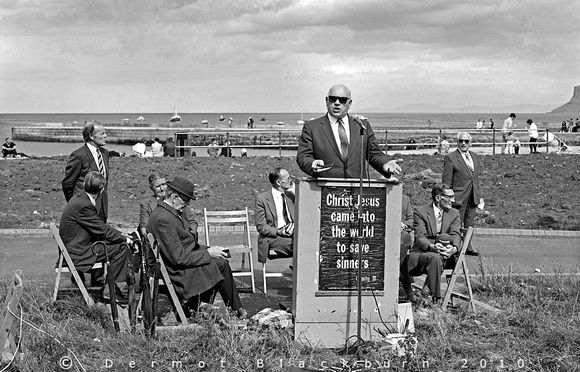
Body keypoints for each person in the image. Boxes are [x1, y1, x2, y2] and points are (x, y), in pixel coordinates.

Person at [147, 176, 245, 317]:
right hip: (176, 272)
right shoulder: (164, 219)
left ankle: (198, 307)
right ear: (174, 197)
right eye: (185, 201)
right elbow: (178, 258)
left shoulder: (167, 213)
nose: (186, 205)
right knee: (221, 265)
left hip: (177, 266)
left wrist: (210, 249)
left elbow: (186, 245)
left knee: (219, 263)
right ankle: (236, 312)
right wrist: (209, 253)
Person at [296, 84, 401, 179]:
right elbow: (303, 156)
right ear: (326, 101)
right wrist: (312, 164)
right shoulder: (312, 127)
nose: (337, 103)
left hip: (358, 191)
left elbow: (373, 153)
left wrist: (385, 163)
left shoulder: (362, 126)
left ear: (349, 103)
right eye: (333, 99)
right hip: (325, 192)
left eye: (342, 100)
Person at [59, 171, 134, 303]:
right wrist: (126, 239)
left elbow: (99, 228)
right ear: (102, 189)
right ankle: (112, 291)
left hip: (73, 247)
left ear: (84, 184)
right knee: (121, 248)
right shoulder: (85, 205)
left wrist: (120, 235)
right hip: (79, 252)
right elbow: (102, 230)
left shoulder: (78, 198)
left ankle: (111, 288)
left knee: (116, 245)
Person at [407, 184, 461, 305]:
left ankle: (429, 296)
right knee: (436, 257)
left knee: (438, 256)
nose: (453, 200)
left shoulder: (454, 213)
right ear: (438, 198)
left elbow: (455, 234)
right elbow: (420, 236)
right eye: (450, 197)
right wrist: (432, 246)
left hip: (445, 254)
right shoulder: (420, 212)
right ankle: (435, 298)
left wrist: (453, 249)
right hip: (423, 252)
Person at [442, 132, 482, 256]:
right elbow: (446, 181)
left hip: (472, 195)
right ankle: (456, 247)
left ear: (470, 143)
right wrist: (447, 197)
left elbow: (475, 178)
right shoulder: (451, 157)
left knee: (469, 223)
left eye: (466, 141)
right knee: (456, 223)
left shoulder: (475, 156)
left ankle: (467, 246)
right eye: (461, 141)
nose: (463, 143)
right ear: (457, 142)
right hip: (458, 196)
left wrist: (479, 195)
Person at [61, 122, 110, 223]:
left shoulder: (105, 153)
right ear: (91, 136)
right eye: (102, 134)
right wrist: (75, 203)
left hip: (102, 206)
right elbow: (67, 184)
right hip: (84, 206)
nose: (106, 136)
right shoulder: (79, 155)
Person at [138, 173, 198, 241]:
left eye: (163, 184)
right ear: (151, 188)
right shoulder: (146, 204)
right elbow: (144, 228)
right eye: (158, 186)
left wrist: (190, 235)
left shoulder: (177, 199)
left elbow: (192, 221)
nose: (162, 189)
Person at [255, 168, 295, 264]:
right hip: (274, 237)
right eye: (288, 178)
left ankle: (295, 267)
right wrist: (279, 231)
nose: (291, 180)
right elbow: (261, 226)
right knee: (302, 244)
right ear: (278, 182)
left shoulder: (292, 196)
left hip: (293, 235)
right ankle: (296, 268)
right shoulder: (262, 199)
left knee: (309, 241)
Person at [399, 194, 415, 303]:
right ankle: (407, 288)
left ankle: (397, 276)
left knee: (405, 240)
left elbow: (411, 219)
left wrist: (403, 225)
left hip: (402, 233)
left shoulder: (404, 199)